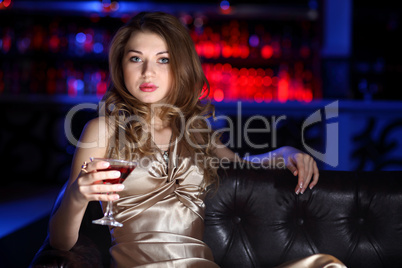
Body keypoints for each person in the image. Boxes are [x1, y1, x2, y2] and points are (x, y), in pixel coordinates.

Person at [49, 11, 345, 268]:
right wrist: (78, 194)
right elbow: (61, 242)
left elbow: (244, 165)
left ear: (180, 67)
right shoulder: (102, 129)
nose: (147, 71)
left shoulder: (196, 132)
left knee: (326, 265)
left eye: (162, 60)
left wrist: (287, 152)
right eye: (135, 58)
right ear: (121, 66)